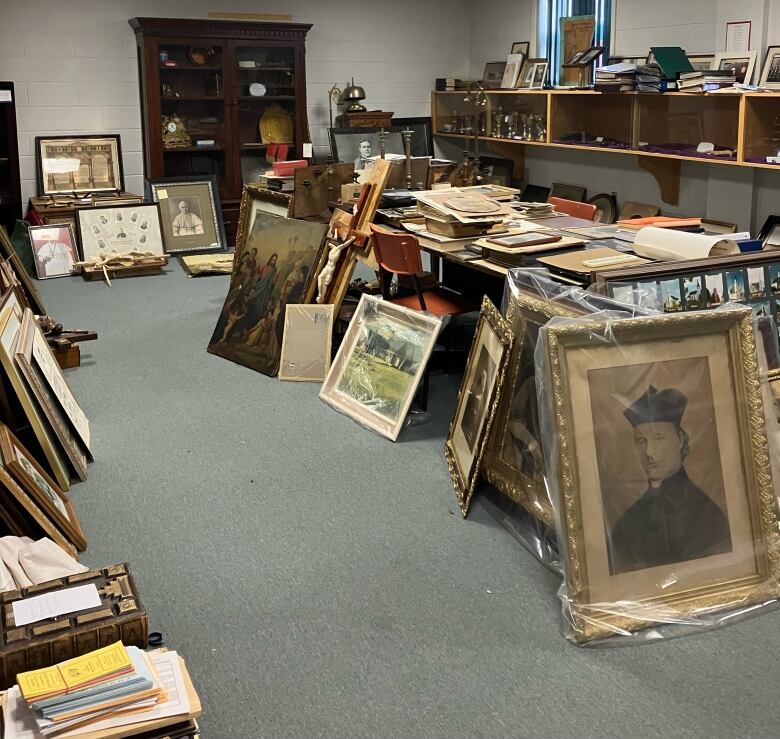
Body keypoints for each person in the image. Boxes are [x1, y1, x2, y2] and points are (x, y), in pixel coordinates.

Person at [608, 385, 731, 575]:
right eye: (641, 441)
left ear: (680, 439)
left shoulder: (709, 518)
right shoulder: (625, 525)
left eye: (659, 439)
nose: (649, 453)